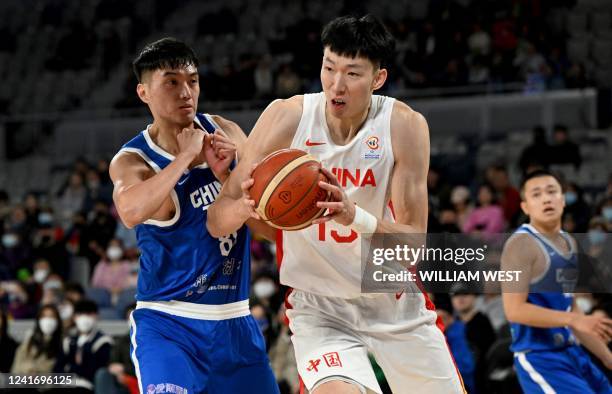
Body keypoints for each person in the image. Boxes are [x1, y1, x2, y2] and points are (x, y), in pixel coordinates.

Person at [207, 15, 464, 394]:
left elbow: (415, 244)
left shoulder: (403, 126)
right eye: (329, 68)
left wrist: (352, 215)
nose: (336, 85)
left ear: (378, 79)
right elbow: (217, 219)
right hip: (319, 306)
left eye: (353, 74)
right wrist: (246, 204)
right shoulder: (286, 118)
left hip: (392, 299)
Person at [109, 37, 278, 393]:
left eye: (193, 80)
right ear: (144, 93)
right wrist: (184, 158)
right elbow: (129, 211)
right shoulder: (134, 159)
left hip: (235, 321)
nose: (186, 91)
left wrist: (229, 175)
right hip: (170, 325)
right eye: (171, 82)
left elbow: (267, 230)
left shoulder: (227, 132)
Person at [501, 169, 612, 393]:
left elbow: (569, 307)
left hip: (572, 351)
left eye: (552, 192)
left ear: (562, 200)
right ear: (525, 207)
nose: (546, 198)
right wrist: (574, 319)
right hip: (540, 357)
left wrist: (607, 357)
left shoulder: (569, 242)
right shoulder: (520, 245)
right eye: (536, 194)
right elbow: (514, 310)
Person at [63, 299, 113, 391]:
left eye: (88, 314)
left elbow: (94, 369)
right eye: (80, 314)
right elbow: (59, 367)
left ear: (96, 316)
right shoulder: (68, 341)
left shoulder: (103, 341)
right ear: (74, 317)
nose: (84, 318)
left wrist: (70, 368)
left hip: (88, 386)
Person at [11, 304, 64, 374]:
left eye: (51, 316)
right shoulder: (29, 339)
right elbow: (17, 364)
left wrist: (36, 371)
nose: (47, 320)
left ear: (58, 320)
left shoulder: (63, 342)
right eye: (44, 316)